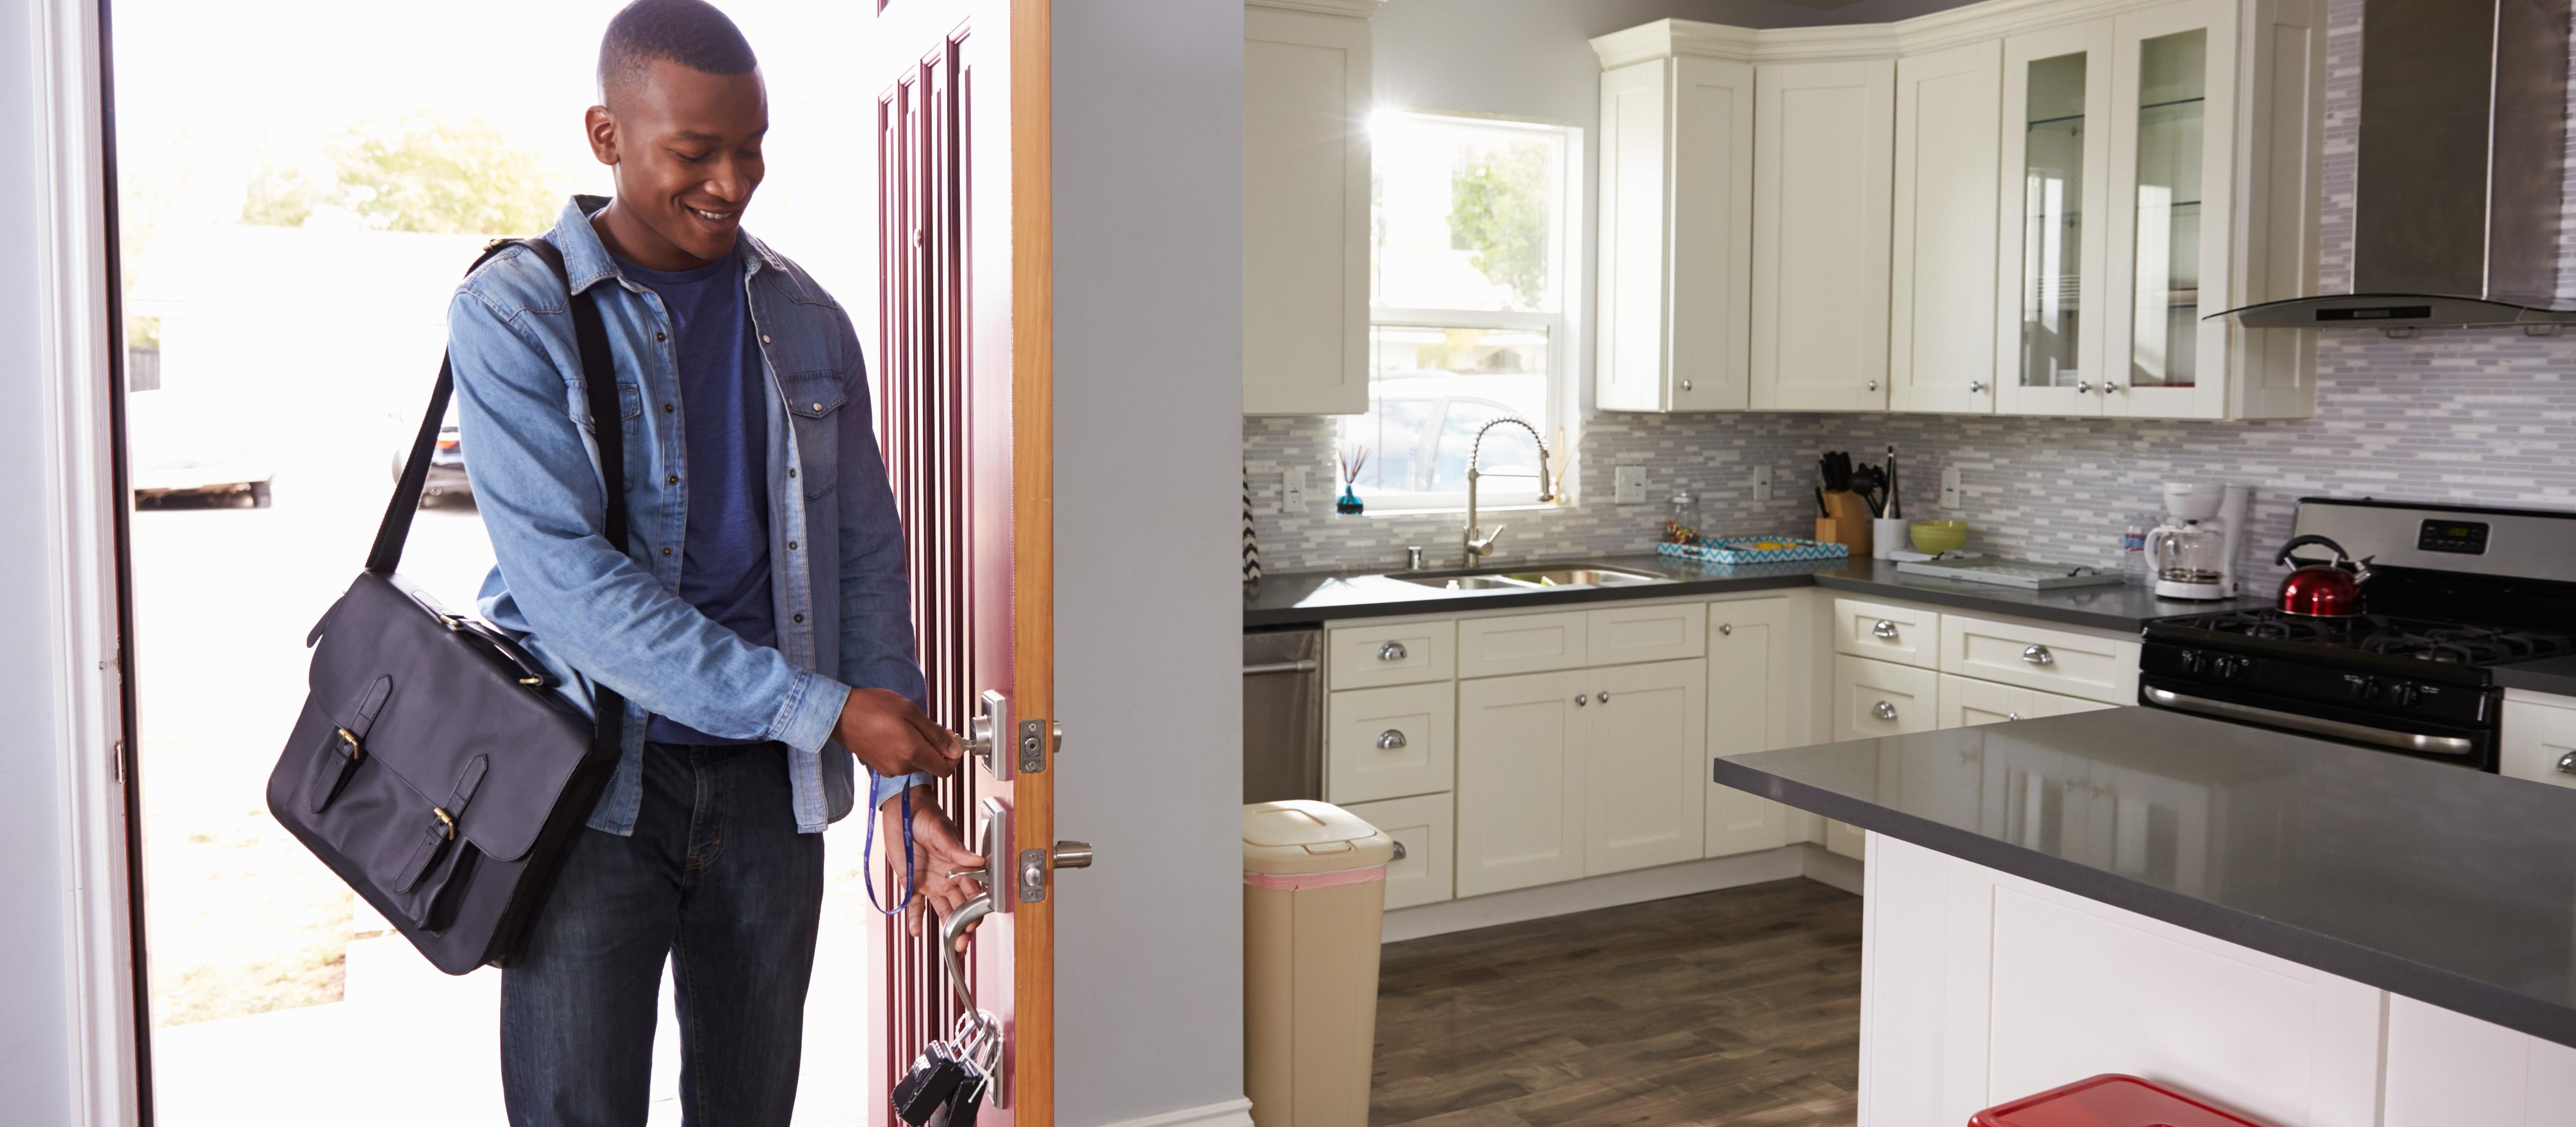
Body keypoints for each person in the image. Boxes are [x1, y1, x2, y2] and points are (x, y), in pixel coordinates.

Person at [446, 2, 979, 1122]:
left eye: (752, 148)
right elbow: (573, 593)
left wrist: (901, 787)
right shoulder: (514, 312)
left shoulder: (808, 318)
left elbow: (864, 558)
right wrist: (827, 712)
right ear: (608, 135)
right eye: (696, 152)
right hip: (590, 792)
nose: (732, 181)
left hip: (766, 796)